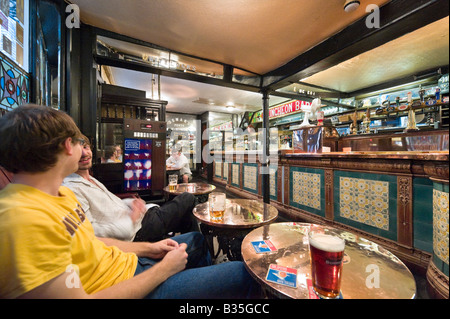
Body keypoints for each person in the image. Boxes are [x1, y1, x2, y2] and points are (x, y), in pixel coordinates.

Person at [0, 104, 260, 299]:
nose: (85, 150)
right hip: (126, 285)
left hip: (130, 262)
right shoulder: (22, 219)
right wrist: (162, 271)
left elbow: (93, 241)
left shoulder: (60, 194)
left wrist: (150, 248)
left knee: (196, 240)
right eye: (81, 143)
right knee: (242, 273)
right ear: (69, 146)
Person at [63, 136, 200, 242]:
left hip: (145, 214)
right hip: (139, 230)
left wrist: (130, 202)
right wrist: (132, 218)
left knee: (187, 218)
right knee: (188, 198)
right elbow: (93, 233)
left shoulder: (91, 179)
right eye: (77, 150)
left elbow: (112, 204)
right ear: (69, 154)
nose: (84, 153)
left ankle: (194, 248)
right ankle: (198, 248)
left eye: (86, 147)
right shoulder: (71, 188)